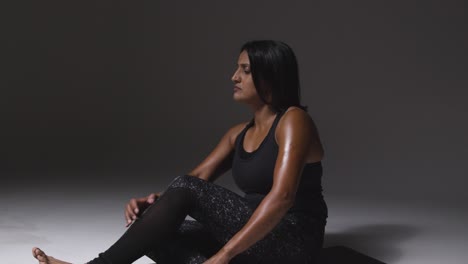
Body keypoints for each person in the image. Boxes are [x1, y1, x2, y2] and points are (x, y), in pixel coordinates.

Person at [32, 40, 328, 264]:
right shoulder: (238, 133)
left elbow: (282, 198)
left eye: (245, 70)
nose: (233, 77)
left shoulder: (293, 121)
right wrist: (159, 204)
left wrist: (225, 254)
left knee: (176, 204)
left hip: (293, 239)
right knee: (151, 229)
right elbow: (197, 177)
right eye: (237, 69)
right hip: (253, 237)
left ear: (270, 78)